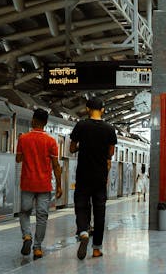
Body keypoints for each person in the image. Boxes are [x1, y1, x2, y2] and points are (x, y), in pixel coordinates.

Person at [70, 95, 117, 260]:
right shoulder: (110, 129)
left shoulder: (81, 126)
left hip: (83, 174)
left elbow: (72, 147)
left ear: (87, 110)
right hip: (100, 176)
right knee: (99, 211)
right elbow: (110, 152)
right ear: (103, 110)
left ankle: (83, 231)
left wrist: (81, 148)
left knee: (81, 205)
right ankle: (96, 248)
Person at [17, 108, 62, 259]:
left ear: (33, 120)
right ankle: (37, 248)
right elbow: (56, 165)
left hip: (28, 183)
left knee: (24, 212)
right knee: (42, 216)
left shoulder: (23, 138)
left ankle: (27, 236)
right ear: (46, 123)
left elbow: (18, 159)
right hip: (44, 185)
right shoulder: (51, 141)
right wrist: (60, 185)